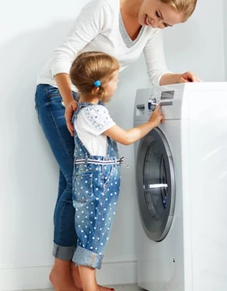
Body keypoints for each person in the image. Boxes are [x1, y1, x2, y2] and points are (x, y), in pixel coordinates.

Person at [34, 0, 199, 290]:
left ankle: (70, 272)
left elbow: (157, 73)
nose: (157, 23)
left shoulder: (152, 28)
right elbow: (62, 56)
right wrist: (70, 101)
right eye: (158, 14)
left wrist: (179, 77)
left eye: (166, 23)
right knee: (77, 182)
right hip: (58, 95)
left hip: (85, 104)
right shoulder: (104, 8)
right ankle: (63, 273)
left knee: (73, 182)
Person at [69, 51, 164, 291]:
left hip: (90, 179)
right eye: (115, 80)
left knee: (90, 233)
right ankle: (89, 289)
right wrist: (151, 123)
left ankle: (92, 285)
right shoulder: (95, 113)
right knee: (93, 236)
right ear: (98, 88)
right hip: (97, 182)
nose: (117, 83)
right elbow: (125, 137)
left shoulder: (81, 110)